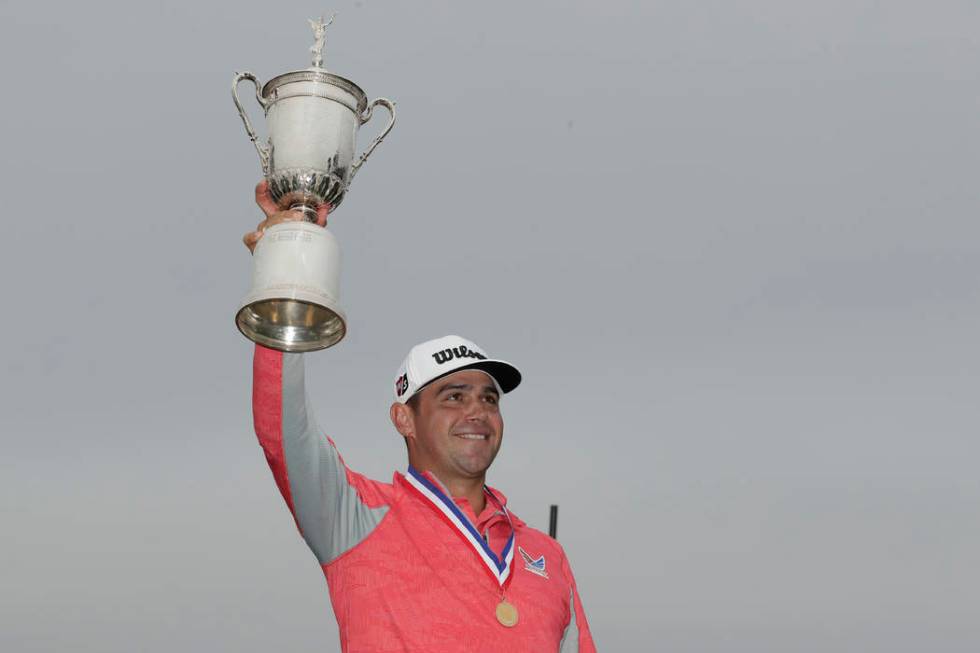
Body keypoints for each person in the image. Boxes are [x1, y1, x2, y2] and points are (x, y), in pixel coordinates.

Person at [243, 181, 596, 652]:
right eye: (453, 396)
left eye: (489, 399)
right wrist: (284, 272)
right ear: (403, 419)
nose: (477, 411)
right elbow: (281, 429)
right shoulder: (354, 516)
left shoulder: (546, 555)